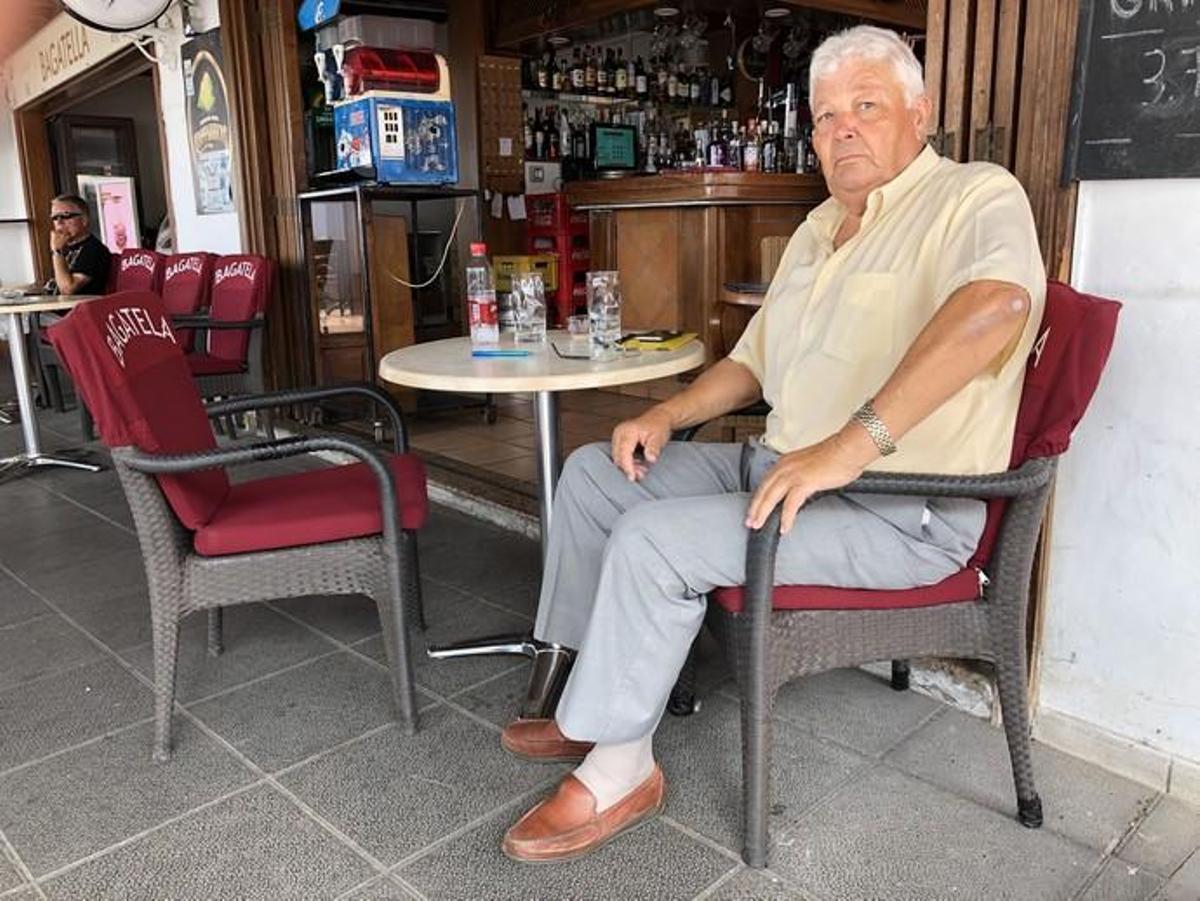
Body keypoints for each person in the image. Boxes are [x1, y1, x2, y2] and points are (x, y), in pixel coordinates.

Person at [498, 24, 1047, 863]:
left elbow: (997, 307)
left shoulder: (974, 195)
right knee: (595, 474)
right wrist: (668, 413)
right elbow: (752, 363)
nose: (843, 130)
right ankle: (583, 695)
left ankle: (620, 769)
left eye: (867, 106)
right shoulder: (819, 226)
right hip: (781, 469)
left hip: (899, 508)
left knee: (653, 538)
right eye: (826, 117)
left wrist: (850, 446)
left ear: (920, 113)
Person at [45, 194, 111, 296]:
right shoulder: (67, 248)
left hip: (81, 306)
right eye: (55, 217)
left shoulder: (93, 249)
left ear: (84, 220)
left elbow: (67, 290)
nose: (59, 222)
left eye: (66, 216)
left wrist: (57, 252)